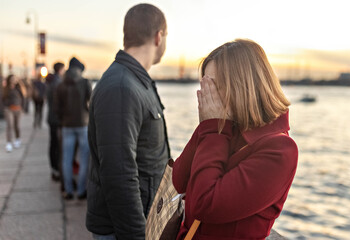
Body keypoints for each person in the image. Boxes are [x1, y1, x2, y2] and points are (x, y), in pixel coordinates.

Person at [172, 39, 298, 240]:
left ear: (244, 85)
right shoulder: (226, 126)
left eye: (214, 85)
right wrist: (207, 125)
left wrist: (213, 128)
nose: (208, 93)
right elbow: (179, 180)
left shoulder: (280, 149)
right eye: (205, 84)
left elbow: (205, 204)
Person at [86, 3, 170, 240]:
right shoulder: (122, 87)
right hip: (124, 230)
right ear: (158, 36)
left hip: (140, 219)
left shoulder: (134, 81)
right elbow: (119, 173)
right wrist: (136, 235)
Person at [55, 57, 92, 200]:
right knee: (84, 158)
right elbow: (91, 103)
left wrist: (63, 119)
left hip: (66, 125)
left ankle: (68, 191)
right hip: (83, 124)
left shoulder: (61, 84)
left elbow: (56, 108)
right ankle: (82, 191)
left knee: (66, 159)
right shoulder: (84, 82)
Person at [46, 62, 65, 181]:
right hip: (56, 119)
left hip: (51, 118)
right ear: (60, 70)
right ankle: (56, 170)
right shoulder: (58, 82)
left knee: (53, 144)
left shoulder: (52, 82)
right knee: (57, 146)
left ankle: (54, 170)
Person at [2, 74, 26, 152]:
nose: (13, 80)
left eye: (15, 79)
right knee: (10, 125)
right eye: (12, 79)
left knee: (17, 126)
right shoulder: (6, 89)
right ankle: (9, 143)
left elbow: (23, 98)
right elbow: (2, 99)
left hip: (18, 109)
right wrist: (4, 107)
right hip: (9, 109)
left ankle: (17, 139)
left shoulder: (19, 88)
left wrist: (23, 108)